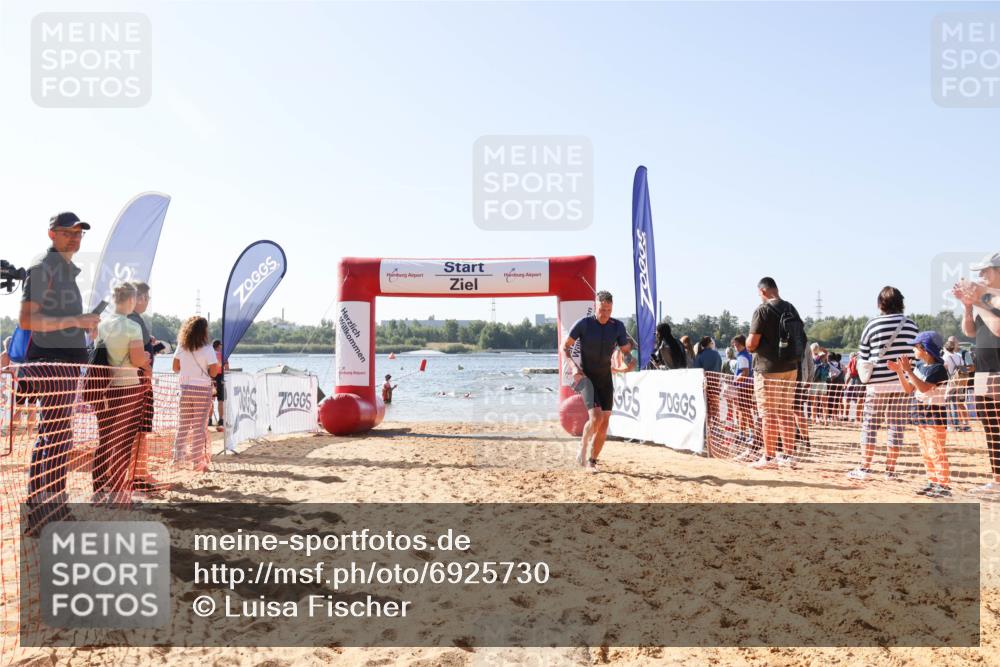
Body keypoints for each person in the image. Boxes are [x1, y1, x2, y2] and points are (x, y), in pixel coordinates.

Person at [19, 212, 101, 533]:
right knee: (53, 437)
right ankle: (41, 514)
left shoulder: (63, 269)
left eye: (79, 233)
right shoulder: (43, 268)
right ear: (52, 234)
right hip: (51, 365)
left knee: (60, 438)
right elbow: (27, 320)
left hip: (64, 364)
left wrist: (85, 328)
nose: (75, 238)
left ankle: (55, 507)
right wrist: (75, 322)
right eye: (68, 232)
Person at [848, 286, 919, 481]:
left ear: (880, 303)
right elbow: (916, 354)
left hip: (877, 384)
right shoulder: (911, 325)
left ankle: (866, 467)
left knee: (870, 425)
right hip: (903, 382)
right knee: (896, 426)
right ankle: (890, 470)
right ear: (901, 303)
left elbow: (862, 355)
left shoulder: (872, 324)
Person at [563, 290, 633, 473]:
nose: (605, 314)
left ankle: (592, 461)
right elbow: (566, 347)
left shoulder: (617, 326)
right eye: (602, 309)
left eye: (608, 310)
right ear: (596, 306)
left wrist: (629, 360)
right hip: (586, 377)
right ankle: (583, 446)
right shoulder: (584, 324)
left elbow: (625, 350)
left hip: (605, 378)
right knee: (596, 417)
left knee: (605, 421)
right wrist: (573, 366)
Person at [92, 283, 148, 502]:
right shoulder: (132, 327)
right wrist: (146, 360)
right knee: (124, 440)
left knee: (104, 439)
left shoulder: (103, 325)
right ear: (131, 300)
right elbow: (136, 359)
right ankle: (118, 490)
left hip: (104, 388)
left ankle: (98, 489)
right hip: (128, 387)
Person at [746, 277, 805, 470]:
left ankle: (769, 457)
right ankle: (788, 455)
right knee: (785, 412)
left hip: (768, 369)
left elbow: (752, 343)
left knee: (768, 414)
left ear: (763, 291)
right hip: (790, 367)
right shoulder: (791, 308)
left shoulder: (762, 310)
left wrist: (749, 345)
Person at [954, 252, 1000, 493]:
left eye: (984, 271)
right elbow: (970, 332)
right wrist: (968, 306)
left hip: (997, 374)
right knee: (991, 428)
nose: (980, 275)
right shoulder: (987, 298)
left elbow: (998, 328)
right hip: (984, 373)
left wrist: (979, 300)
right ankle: (997, 481)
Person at [888, 331, 952, 498]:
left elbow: (924, 388)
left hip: (934, 416)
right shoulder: (920, 367)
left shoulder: (939, 368)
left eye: (916, 347)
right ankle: (932, 482)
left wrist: (908, 371)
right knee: (925, 452)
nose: (913, 351)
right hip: (920, 415)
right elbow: (909, 390)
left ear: (925, 349)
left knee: (936, 451)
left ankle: (943, 484)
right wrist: (900, 372)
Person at [172, 317, 220, 471]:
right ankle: (196, 461)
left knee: (183, 424)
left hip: (185, 388)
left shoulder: (182, 345)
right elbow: (213, 372)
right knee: (199, 426)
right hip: (202, 389)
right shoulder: (207, 349)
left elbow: (175, 367)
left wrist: (188, 369)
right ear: (203, 331)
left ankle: (177, 458)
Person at [127, 282, 161, 492]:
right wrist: (147, 375)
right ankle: (138, 475)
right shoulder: (134, 321)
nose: (148, 302)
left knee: (137, 432)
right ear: (138, 298)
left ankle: (139, 473)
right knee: (139, 432)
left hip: (133, 384)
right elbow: (137, 357)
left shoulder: (127, 321)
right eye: (147, 298)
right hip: (138, 385)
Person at [1, 335, 37, 435]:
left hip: (23, 381)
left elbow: (7, 370)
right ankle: (28, 434)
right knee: (31, 407)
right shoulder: (23, 351)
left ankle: (13, 435)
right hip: (31, 379)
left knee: (22, 408)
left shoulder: (11, 354)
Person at [730, 335, 758, 460]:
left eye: (736, 344)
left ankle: (751, 433)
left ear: (741, 344)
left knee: (745, 410)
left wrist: (735, 382)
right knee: (743, 410)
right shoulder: (746, 354)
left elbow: (745, 372)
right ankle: (745, 433)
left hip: (743, 386)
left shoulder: (742, 356)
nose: (735, 347)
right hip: (747, 385)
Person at [942, 336, 972, 432]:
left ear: (945, 348)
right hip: (960, 382)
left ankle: (953, 425)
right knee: (957, 403)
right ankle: (963, 425)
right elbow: (963, 367)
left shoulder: (945, 357)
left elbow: (944, 369)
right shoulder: (959, 356)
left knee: (948, 403)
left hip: (951, 382)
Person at [210, 340, 229, 430]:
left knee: (211, 400)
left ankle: (209, 419)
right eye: (221, 345)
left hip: (211, 377)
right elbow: (227, 368)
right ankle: (221, 419)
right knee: (220, 400)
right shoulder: (223, 355)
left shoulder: (210, 354)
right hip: (220, 377)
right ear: (218, 346)